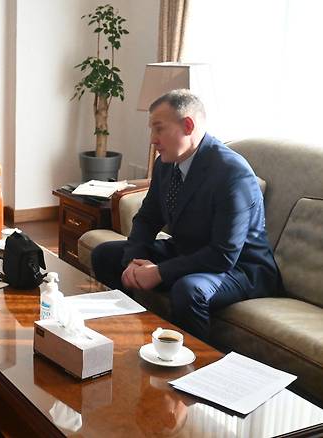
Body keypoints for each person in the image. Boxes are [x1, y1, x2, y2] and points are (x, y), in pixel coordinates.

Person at [91, 89, 281, 340]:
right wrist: (134, 260)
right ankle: (127, 335)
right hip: (187, 251)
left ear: (188, 125)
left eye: (159, 129)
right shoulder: (165, 164)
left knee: (189, 289)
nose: (152, 139)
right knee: (106, 254)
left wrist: (159, 272)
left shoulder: (232, 174)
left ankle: (195, 368)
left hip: (240, 267)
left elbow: (223, 254)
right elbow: (148, 218)